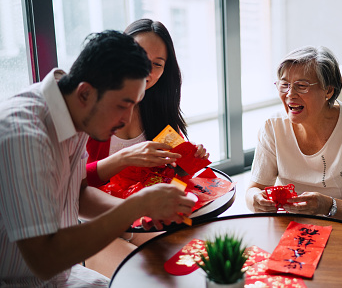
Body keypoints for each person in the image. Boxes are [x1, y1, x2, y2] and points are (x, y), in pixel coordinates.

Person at [0, 30, 197, 287]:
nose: (127, 119)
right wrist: (135, 206)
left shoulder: (73, 109)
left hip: (59, 275)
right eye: (122, 105)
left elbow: (79, 195)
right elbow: (43, 259)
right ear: (85, 93)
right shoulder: (24, 136)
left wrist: (145, 210)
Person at [84, 19, 209, 277]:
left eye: (157, 65)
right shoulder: (87, 108)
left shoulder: (158, 111)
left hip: (144, 220)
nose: (146, 70)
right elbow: (70, 184)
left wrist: (189, 163)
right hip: (95, 223)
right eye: (139, 57)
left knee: (192, 265)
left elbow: (174, 183)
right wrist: (125, 158)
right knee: (139, 276)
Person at [245, 46, 342, 219]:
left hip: (339, 227)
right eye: (284, 85)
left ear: (328, 91)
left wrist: (326, 205)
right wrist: (256, 199)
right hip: (288, 225)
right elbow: (254, 188)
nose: (290, 94)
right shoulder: (273, 127)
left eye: (302, 86)